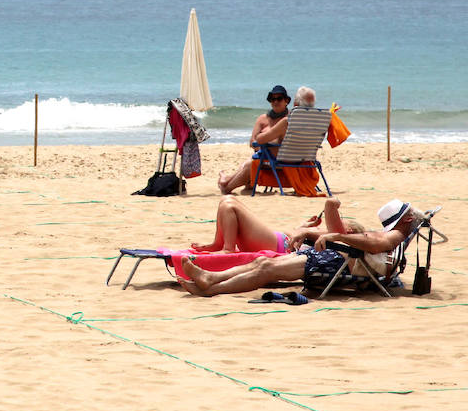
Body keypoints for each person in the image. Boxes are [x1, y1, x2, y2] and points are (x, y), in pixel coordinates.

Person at [176, 197, 423, 297]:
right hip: (334, 257)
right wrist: (310, 230)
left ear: (407, 220)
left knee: (267, 269)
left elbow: (374, 244)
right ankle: (211, 278)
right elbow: (368, 240)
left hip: (337, 262)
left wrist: (340, 236)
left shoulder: (394, 237)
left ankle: (211, 289)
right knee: (262, 262)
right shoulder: (391, 234)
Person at [217, 86, 318, 194]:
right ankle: (226, 179)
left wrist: (268, 142)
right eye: (272, 99)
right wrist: (267, 144)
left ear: (287, 101)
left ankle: (226, 185)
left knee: (250, 164)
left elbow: (260, 139)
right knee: (250, 162)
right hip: (273, 156)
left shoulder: (289, 120)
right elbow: (253, 142)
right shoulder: (263, 119)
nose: (275, 102)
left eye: (279, 99)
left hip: (280, 159)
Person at [190, 195, 327, 255]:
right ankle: (218, 244)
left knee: (229, 207)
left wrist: (306, 230)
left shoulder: (334, 235)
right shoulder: (324, 233)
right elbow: (299, 235)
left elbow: (302, 239)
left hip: (278, 246)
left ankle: (227, 248)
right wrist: (304, 226)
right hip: (277, 239)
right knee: (227, 199)